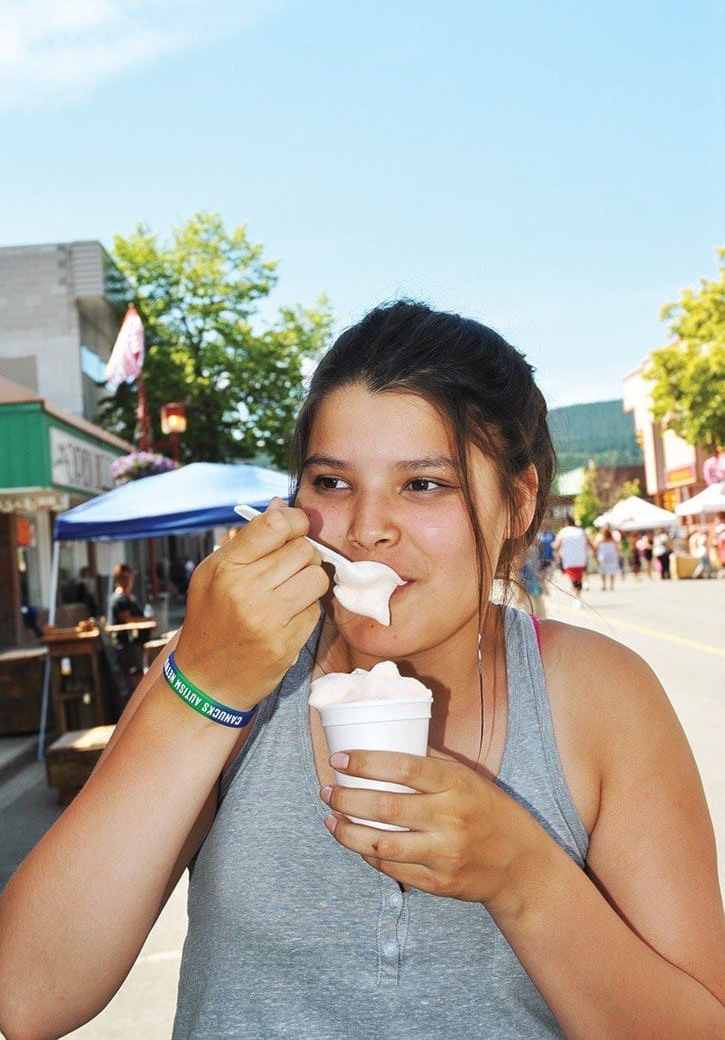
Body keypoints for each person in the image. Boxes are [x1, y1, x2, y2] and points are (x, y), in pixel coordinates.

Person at [0, 301, 723, 1040]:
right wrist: (202, 687)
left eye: (423, 484)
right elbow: (28, 996)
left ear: (517, 501)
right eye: (332, 483)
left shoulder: (600, 697)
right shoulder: (225, 675)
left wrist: (521, 877)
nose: (365, 526)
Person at [553, 515, 593, 607]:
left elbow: (556, 546)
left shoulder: (562, 532)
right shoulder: (581, 531)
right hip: (581, 559)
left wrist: (557, 554)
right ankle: (577, 596)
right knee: (578, 578)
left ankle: (577, 597)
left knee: (573, 579)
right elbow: (589, 543)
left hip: (568, 560)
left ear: (566, 523)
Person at [595, 526, 620, 591]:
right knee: (612, 571)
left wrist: (596, 558)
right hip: (612, 557)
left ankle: (604, 585)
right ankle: (611, 585)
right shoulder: (613, 540)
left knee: (603, 571)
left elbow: (595, 548)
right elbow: (619, 548)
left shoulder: (600, 540)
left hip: (603, 557)